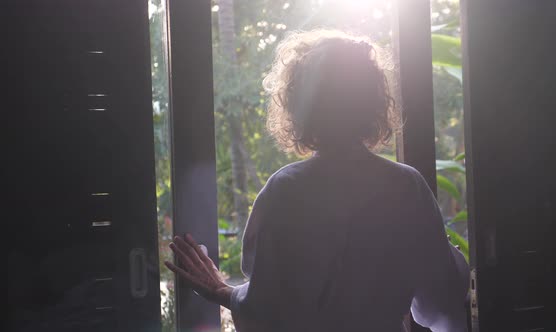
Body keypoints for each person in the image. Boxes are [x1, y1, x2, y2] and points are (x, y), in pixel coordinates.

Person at [165, 29, 469, 332]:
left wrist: (223, 292)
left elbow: (269, 311)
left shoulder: (286, 190)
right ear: (373, 102)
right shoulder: (407, 186)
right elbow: (438, 305)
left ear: (298, 105)